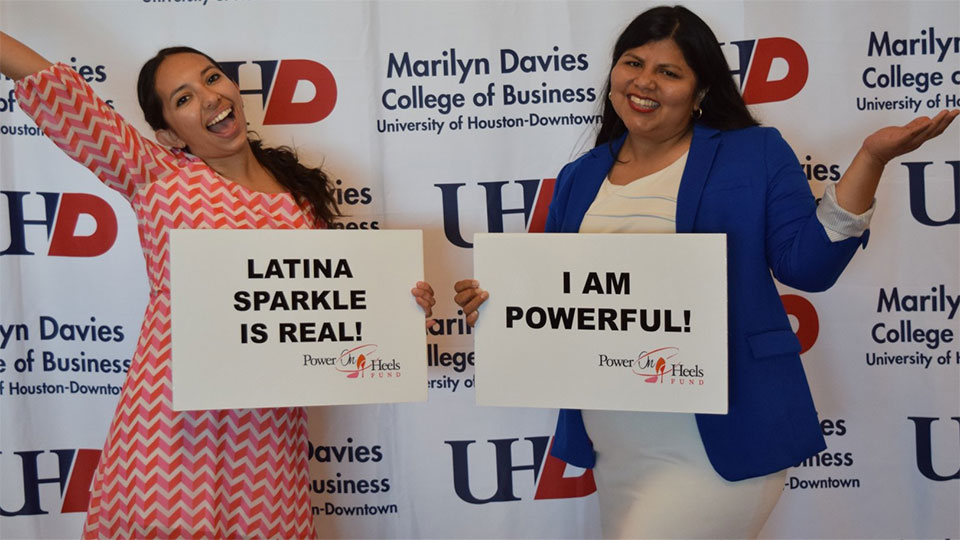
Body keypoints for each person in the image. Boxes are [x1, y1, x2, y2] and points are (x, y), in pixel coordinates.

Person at [454, 5, 957, 539]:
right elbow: (560, 299)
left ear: (699, 91)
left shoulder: (754, 153)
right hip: (614, 441)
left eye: (668, 72)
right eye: (632, 63)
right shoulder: (579, 177)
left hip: (721, 438)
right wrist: (496, 302)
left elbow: (808, 267)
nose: (644, 82)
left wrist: (870, 159)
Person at [1, 32, 436, 538]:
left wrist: (395, 307)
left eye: (212, 78)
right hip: (169, 436)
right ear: (169, 134)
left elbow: (331, 317)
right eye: (183, 98)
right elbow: (53, 88)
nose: (209, 97)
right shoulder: (155, 175)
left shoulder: (302, 202)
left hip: (268, 443)